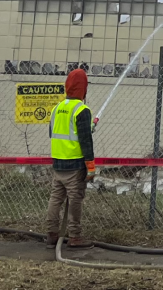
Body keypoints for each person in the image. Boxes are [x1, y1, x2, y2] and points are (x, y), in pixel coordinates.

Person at [45, 67, 97, 248]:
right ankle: (75, 236)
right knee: (75, 199)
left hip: (58, 164)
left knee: (55, 199)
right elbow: (85, 140)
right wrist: (91, 166)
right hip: (75, 165)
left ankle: (52, 234)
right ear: (83, 88)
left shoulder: (57, 108)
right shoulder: (81, 110)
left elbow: (53, 133)